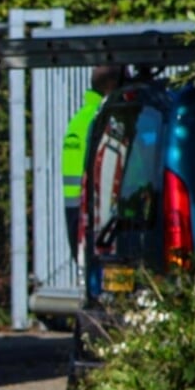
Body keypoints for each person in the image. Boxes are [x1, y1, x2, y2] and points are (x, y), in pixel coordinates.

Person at [63, 65, 123, 257]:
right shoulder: (107, 116)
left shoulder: (80, 118)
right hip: (99, 211)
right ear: (113, 86)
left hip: (77, 210)